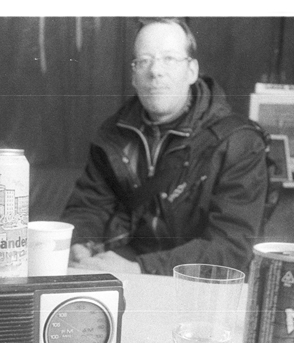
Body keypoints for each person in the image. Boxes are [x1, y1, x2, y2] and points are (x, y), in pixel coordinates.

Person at [61, 17, 269, 276]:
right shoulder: (112, 135)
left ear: (191, 71)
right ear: (134, 76)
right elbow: (88, 207)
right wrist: (80, 243)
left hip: (195, 284)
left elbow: (230, 249)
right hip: (122, 269)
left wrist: (141, 269)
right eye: (144, 61)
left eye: (169, 59)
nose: (155, 71)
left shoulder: (239, 142)